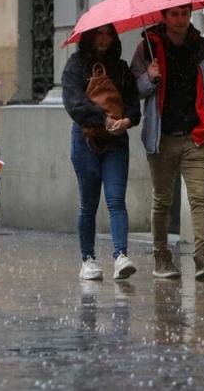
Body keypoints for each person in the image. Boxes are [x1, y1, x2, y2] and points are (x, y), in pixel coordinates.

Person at [131, 4, 204, 280]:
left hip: (195, 135)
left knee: (199, 197)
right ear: (163, 16)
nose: (181, 19)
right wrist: (149, 78)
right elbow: (135, 90)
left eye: (185, 13)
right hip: (162, 137)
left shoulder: (203, 48)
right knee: (162, 199)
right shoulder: (147, 47)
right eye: (174, 14)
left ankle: (203, 254)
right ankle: (161, 255)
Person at [62, 23, 141, 281]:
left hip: (117, 142)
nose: (104, 39)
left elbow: (133, 105)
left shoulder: (120, 68)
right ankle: (88, 259)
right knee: (88, 203)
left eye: (108, 33)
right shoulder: (75, 66)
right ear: (88, 36)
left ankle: (121, 255)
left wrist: (126, 121)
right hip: (85, 141)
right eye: (99, 33)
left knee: (116, 199)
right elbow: (74, 103)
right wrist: (102, 119)